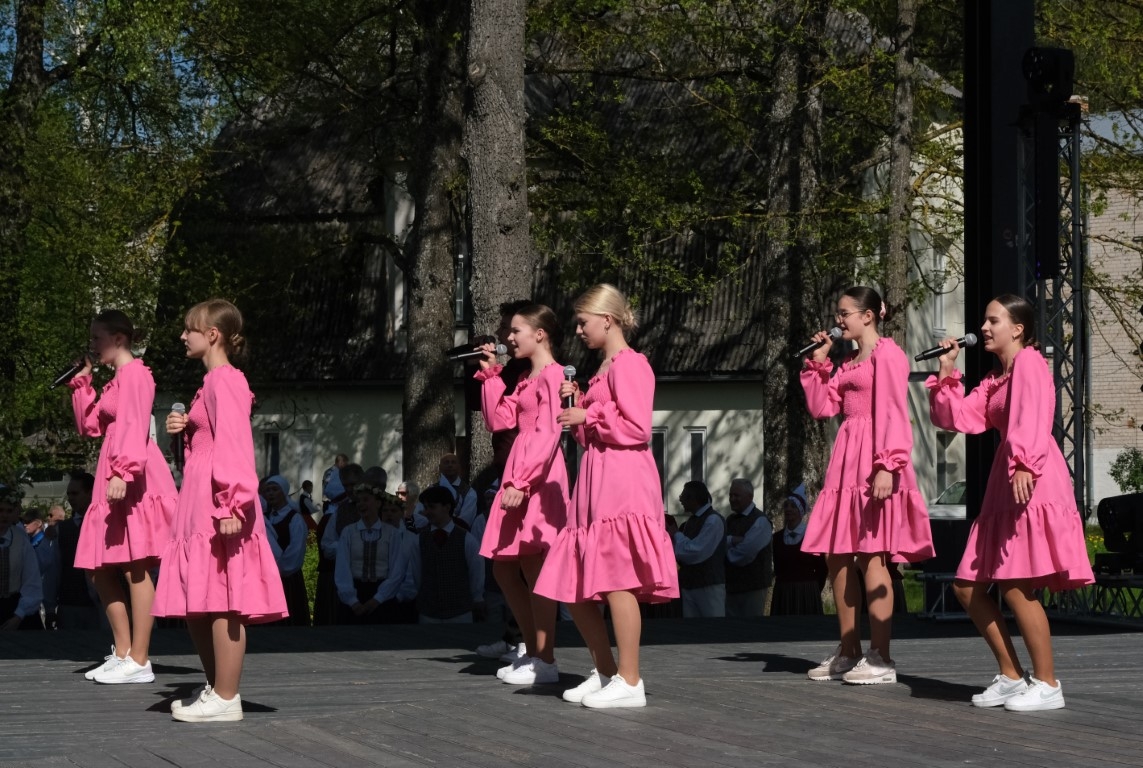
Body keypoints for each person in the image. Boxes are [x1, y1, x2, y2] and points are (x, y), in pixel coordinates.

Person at [927, 294, 1094, 711]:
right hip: (1007, 480)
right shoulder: (995, 379)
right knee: (968, 587)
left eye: (992, 320)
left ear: (1017, 328)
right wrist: (947, 372)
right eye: (984, 321)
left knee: (1017, 585)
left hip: (1031, 475)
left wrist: (1024, 464)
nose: (983, 327)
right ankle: (1012, 675)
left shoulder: (1031, 364)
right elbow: (959, 419)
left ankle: (1049, 683)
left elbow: (1034, 416)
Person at [537, 283, 679, 709]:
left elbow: (636, 428)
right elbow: (590, 433)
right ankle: (605, 672)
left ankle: (630, 679)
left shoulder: (631, 365)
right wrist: (579, 410)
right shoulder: (602, 370)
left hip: (623, 480)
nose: (578, 330)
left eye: (583, 322)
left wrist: (590, 413)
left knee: (619, 580)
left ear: (607, 319)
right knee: (578, 586)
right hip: (597, 479)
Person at [153, 299, 287, 723]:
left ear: (213, 334)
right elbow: (208, 443)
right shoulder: (210, 383)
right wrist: (185, 431)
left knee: (223, 597)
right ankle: (216, 688)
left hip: (217, 498)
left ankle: (226, 696)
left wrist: (232, 501)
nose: (182, 335)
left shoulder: (224, 380)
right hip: (198, 495)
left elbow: (234, 443)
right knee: (202, 598)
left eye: (189, 328)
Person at [800, 286, 934, 685]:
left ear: (869, 316)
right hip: (847, 460)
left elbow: (893, 408)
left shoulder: (887, 354)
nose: (839, 320)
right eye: (838, 314)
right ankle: (849, 649)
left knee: (871, 556)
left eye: (845, 314)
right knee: (837, 555)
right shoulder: (850, 361)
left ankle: (881, 656)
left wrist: (888, 465)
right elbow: (822, 408)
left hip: (874, 456)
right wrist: (818, 364)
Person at [69, 309, 177, 683]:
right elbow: (90, 426)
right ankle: (123, 650)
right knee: (99, 568)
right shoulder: (116, 381)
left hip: (131, 474)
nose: (92, 346)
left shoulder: (137, 375)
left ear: (118, 339)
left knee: (135, 565)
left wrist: (124, 471)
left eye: (97, 339)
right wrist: (83, 385)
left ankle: (140, 658)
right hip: (112, 470)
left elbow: (134, 422)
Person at [474, 303, 570, 685]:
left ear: (540, 333)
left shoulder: (553, 375)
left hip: (537, 474)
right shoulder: (530, 378)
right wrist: (490, 376)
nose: (508, 338)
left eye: (516, 331)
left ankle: (544, 658)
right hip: (523, 469)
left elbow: (548, 432)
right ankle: (532, 650)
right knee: (504, 566)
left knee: (534, 566)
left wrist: (522, 481)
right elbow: (499, 419)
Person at [404, 485, 484, 624]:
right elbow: (416, 573)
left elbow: (476, 573)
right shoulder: (419, 540)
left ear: (447, 507)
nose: (427, 512)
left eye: (432, 507)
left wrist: (476, 598)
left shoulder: (467, 539)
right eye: (426, 507)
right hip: (429, 613)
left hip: (460, 613)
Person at [334, 483, 409, 624]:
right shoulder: (349, 532)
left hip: (383, 596)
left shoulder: (391, 533)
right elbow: (342, 569)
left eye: (366, 500)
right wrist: (352, 601)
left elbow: (397, 571)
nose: (361, 504)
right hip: (355, 593)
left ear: (378, 503)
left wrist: (378, 599)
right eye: (359, 501)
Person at [667, 481, 726, 618]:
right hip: (690, 585)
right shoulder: (691, 522)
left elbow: (696, 551)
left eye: (683, 495)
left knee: (713, 630)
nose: (680, 499)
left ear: (693, 498)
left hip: (708, 586)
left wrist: (677, 535)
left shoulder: (713, 520)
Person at [770, 484, 828, 616]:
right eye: (786, 506)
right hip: (783, 591)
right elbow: (778, 567)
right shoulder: (777, 538)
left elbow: (822, 568)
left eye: (793, 506)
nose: (788, 509)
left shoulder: (812, 536)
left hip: (806, 591)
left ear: (800, 511)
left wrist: (811, 589)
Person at [55, 472, 103, 630]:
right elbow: (53, 569)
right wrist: (49, 606)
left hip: (103, 605)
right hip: (70, 603)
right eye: (69, 494)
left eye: (75, 493)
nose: (71, 498)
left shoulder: (106, 525)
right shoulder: (62, 529)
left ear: (91, 493)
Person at [261, 475, 310, 626]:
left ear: (283, 491)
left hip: (287, 579)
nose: (270, 493)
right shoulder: (265, 518)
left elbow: (295, 550)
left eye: (274, 489)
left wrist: (280, 570)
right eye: (267, 490)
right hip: (267, 577)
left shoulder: (295, 519)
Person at [723, 478, 773, 618]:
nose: (732, 499)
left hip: (753, 586)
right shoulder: (730, 520)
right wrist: (732, 540)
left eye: (736, 495)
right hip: (732, 586)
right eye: (731, 495)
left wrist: (727, 548)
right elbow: (721, 544)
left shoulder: (760, 521)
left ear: (749, 497)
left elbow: (745, 552)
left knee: (751, 628)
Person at [0, 485, 45, 630]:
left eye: (9, 511)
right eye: (0, 510)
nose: (4, 515)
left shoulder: (20, 539)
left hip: (15, 609)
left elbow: (32, 580)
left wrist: (19, 615)